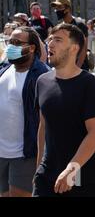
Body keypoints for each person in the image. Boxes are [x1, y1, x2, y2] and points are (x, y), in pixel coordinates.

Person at [33, 23, 95, 197]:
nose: (50, 44)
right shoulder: (42, 81)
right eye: (50, 39)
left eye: (58, 40)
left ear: (74, 48)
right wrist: (38, 169)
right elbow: (43, 127)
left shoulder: (91, 85)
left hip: (84, 178)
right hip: (46, 177)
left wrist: (71, 168)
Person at [0, 27, 49, 197]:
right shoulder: (5, 69)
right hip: (1, 152)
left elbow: (46, 120)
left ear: (32, 47)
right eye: (10, 42)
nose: (11, 46)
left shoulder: (42, 75)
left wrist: (41, 158)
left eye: (17, 43)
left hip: (24, 153)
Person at [50, 0, 89, 71]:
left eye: (59, 7)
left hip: (80, 68)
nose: (56, 10)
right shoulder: (59, 27)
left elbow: (83, 49)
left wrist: (76, 68)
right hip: (65, 68)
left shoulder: (79, 25)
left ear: (67, 9)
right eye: (56, 8)